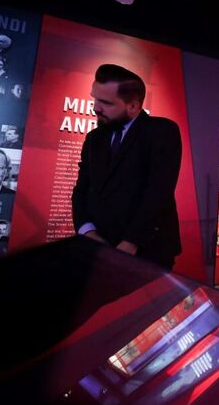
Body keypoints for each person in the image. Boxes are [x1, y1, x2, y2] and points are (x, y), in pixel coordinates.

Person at [72, 64, 183, 270]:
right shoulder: (94, 139)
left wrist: (130, 243)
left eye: (105, 102)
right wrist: (87, 231)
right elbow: (81, 190)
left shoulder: (162, 132)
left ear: (133, 106)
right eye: (94, 98)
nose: (96, 107)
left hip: (148, 253)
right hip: (98, 249)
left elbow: (159, 191)